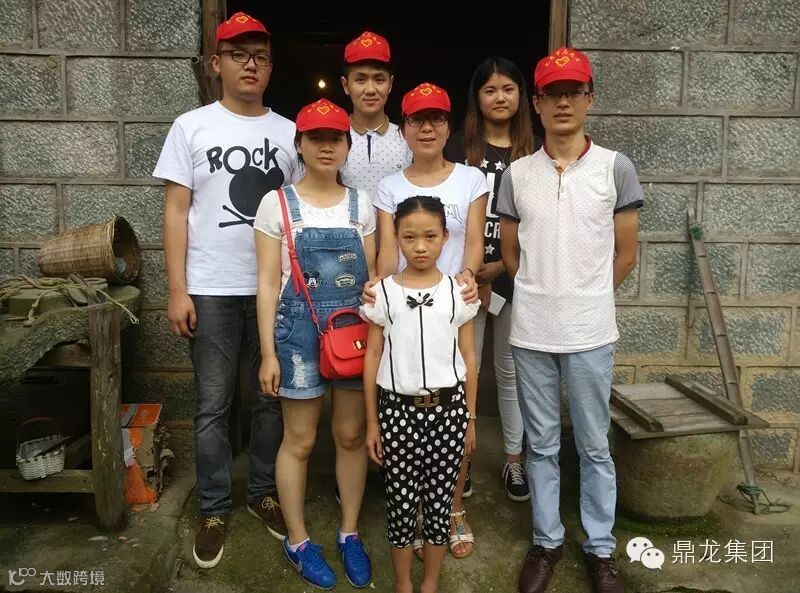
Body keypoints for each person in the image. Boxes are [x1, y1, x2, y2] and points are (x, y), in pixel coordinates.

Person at [154, 11, 298, 569]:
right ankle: (213, 508)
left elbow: (300, 208)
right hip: (210, 287)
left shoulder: (289, 132)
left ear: (271, 67)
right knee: (212, 405)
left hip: (273, 289)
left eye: (260, 56)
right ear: (216, 64)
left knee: (270, 399)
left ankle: (262, 492)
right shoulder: (191, 127)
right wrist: (177, 289)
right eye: (238, 55)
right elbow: (175, 211)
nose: (250, 65)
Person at [497, 47, 641, 593]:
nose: (563, 102)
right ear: (535, 103)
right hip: (532, 331)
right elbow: (511, 255)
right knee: (541, 444)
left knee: (594, 444)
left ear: (589, 98)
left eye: (573, 92)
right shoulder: (517, 175)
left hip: (591, 332)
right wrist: (543, 292)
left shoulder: (614, 167)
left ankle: (600, 548)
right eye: (552, 93)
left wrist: (586, 297)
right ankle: (547, 540)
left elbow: (625, 255)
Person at [254, 98, 375, 590]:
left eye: (335, 138)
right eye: (315, 138)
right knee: (300, 440)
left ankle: (350, 533)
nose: (326, 146)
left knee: (349, 435)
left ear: (347, 146)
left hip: (351, 333)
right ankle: (299, 540)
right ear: (299, 145)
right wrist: (268, 352)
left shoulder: (362, 205)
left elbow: (371, 281)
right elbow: (267, 283)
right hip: (297, 335)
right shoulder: (277, 203)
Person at [373, 82, 488, 560]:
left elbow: (475, 244)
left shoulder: (471, 179)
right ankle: (417, 515)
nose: (426, 128)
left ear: (448, 126)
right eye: (417, 119)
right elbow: (386, 252)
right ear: (404, 128)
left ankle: (452, 508)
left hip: (455, 303)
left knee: (454, 407)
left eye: (436, 118)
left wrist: (466, 281)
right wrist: (378, 292)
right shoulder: (389, 186)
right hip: (403, 307)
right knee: (411, 406)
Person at [362, 196, 479, 593]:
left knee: (439, 506)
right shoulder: (382, 294)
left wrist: (470, 418)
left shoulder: (458, 293)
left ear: (445, 236)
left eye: (430, 236)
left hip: (449, 412)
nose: (420, 246)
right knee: (400, 506)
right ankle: (403, 585)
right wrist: (373, 422)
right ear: (396, 238)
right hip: (397, 414)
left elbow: (468, 356)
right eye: (409, 237)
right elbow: (373, 355)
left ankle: (429, 583)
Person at [444, 57, 537, 503]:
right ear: (476, 98)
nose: (499, 97)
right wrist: (474, 270)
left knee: (510, 370)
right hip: (466, 278)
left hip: (516, 275)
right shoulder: (457, 147)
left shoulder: (535, 150)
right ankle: (459, 461)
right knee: (466, 368)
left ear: (521, 95)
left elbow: (542, 221)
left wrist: (500, 267)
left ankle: (513, 459)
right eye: (489, 90)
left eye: (508, 89)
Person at [340, 30, 412, 199]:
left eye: (379, 79)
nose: (370, 89)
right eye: (360, 80)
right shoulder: (332, 138)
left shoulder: (408, 138)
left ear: (390, 84)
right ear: (345, 85)